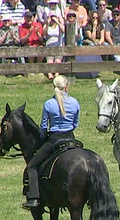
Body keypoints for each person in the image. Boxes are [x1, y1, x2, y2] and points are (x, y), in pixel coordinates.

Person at [23, 75, 81, 209]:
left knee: (32, 166)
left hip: (54, 139)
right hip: (71, 138)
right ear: (66, 87)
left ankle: (33, 197)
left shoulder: (49, 104)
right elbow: (75, 123)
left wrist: (43, 136)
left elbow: (44, 127)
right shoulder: (75, 102)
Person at [43, 11, 63, 79]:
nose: (52, 19)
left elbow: (63, 31)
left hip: (58, 46)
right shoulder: (46, 26)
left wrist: (57, 22)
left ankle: (57, 73)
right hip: (49, 46)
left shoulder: (59, 26)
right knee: (50, 61)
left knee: (58, 60)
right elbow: (44, 34)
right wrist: (48, 23)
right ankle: (50, 74)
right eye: (51, 17)